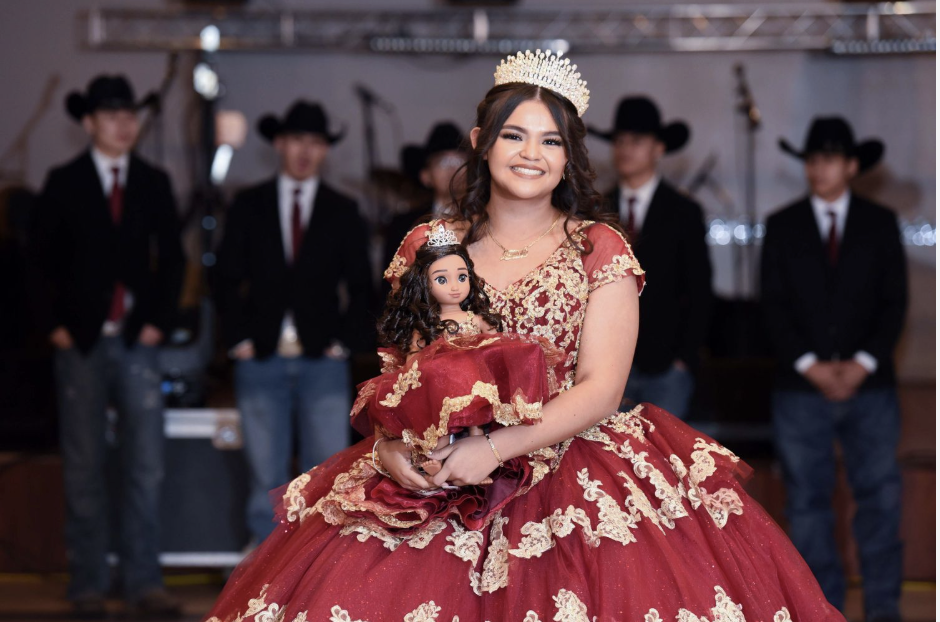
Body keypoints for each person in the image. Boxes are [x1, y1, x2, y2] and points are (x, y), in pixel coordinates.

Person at [203, 50, 842, 622]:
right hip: (437, 477)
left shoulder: (599, 247)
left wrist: (497, 448)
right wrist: (389, 452)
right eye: (514, 135)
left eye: (551, 141)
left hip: (571, 466)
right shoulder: (430, 246)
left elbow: (602, 388)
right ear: (482, 141)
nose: (531, 153)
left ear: (570, 157)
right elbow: (399, 375)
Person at [31, 74, 184, 618]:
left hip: (139, 339)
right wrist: (55, 326)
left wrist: (157, 323)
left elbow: (172, 261)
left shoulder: (152, 181)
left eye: (131, 114)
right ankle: (88, 581)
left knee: (146, 465)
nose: (124, 123)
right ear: (89, 121)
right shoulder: (63, 181)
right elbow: (37, 264)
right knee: (84, 464)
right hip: (82, 341)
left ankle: (144, 580)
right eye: (112, 114)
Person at [761, 117, 907, 622]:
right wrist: (812, 366)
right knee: (806, 506)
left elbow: (894, 304)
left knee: (881, 500)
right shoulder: (782, 224)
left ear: (850, 165)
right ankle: (821, 612)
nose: (818, 168)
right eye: (811, 158)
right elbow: (772, 306)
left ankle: (884, 609)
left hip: (872, 388)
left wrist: (862, 364)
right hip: (800, 390)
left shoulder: (880, 223)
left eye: (828, 158)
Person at [213, 100, 375, 545]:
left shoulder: (342, 208)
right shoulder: (249, 204)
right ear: (280, 144)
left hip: (323, 357)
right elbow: (225, 277)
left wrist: (344, 342)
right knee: (263, 470)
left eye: (317, 143)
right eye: (297, 140)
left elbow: (363, 284)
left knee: (326, 467)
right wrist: (239, 337)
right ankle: (257, 570)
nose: (306, 151)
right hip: (259, 353)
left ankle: (317, 563)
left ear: (325, 150)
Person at [590, 96, 712, 419]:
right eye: (619, 140)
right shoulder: (596, 210)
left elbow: (700, 290)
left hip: (666, 366)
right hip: (606, 365)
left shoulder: (684, 212)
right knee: (607, 463)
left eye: (637, 140)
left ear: (659, 148)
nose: (626, 148)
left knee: (665, 462)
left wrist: (684, 357)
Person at [383, 122, 468, 271]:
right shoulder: (403, 226)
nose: (452, 168)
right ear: (425, 176)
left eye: (459, 160)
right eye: (443, 161)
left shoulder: (485, 221)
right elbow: (390, 286)